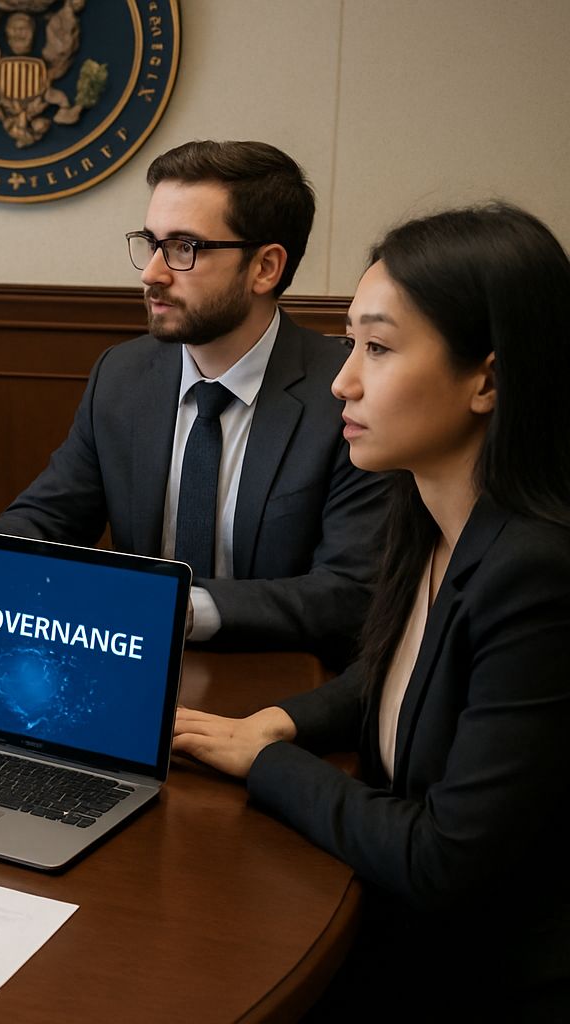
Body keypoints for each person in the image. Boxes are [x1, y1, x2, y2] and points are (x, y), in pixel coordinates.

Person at [172, 204, 570, 1017]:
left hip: (479, 977)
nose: (342, 380)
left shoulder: (538, 573)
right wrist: (275, 721)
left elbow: (443, 860)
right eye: (350, 341)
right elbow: (392, 678)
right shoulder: (427, 510)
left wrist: (267, 763)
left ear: (488, 380)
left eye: (379, 349)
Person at [0, 140, 386, 664]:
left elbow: (349, 593)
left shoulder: (346, 394)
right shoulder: (123, 375)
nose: (152, 272)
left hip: (276, 684)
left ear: (265, 268)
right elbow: (49, 517)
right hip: (127, 670)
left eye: (184, 248)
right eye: (151, 243)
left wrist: (175, 609)